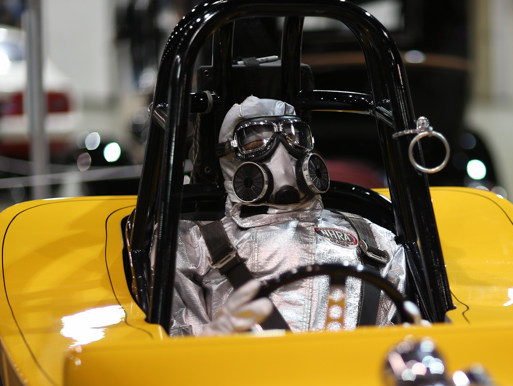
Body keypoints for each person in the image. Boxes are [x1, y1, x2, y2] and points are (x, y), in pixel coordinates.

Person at [170, 96, 406, 336]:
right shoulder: (192, 245)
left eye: (294, 138)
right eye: (257, 142)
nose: (282, 150)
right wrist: (210, 337)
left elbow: (408, 328)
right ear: (229, 159)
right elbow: (170, 341)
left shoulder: (374, 239)